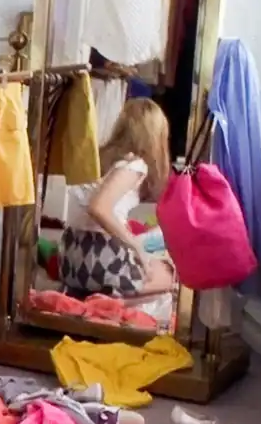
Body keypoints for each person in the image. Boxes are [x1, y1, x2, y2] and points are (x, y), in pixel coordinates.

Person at [60, 97, 175, 298]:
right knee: (168, 273)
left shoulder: (100, 157)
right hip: (99, 258)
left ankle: (101, 293)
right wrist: (136, 247)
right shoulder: (135, 165)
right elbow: (98, 208)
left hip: (71, 259)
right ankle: (113, 297)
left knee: (148, 261)